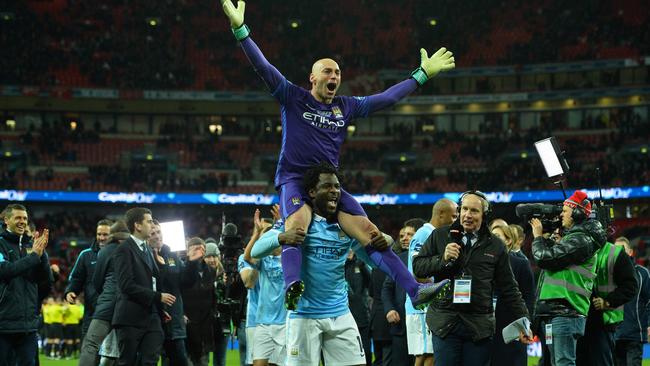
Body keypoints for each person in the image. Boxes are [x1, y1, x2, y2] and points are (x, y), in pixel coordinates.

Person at [220, 0, 456, 310]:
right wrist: (241, 30)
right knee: (296, 229)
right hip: (294, 179)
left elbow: (386, 98)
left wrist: (421, 75)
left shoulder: (345, 106)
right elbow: (263, 67)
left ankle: (415, 290)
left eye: (338, 72)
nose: (335, 76)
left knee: (372, 233)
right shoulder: (293, 96)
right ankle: (293, 286)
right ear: (313, 78)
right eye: (328, 71)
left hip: (329, 183)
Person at [250, 162, 449, 366]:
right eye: (327, 187)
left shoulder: (347, 226)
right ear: (311, 192)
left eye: (337, 187)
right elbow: (257, 250)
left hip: (340, 313)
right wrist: (282, 237)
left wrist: (387, 240)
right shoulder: (297, 220)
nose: (334, 191)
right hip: (304, 316)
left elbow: (375, 260)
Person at [412, 191, 532, 366]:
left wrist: (523, 319)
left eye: (474, 211)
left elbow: (509, 287)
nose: (467, 215)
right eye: (464, 209)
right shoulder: (440, 235)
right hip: (445, 323)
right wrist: (441, 259)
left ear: (484, 215)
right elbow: (418, 268)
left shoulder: (496, 245)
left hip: (479, 326)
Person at [531, 190, 607, 366]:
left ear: (577, 212)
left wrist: (537, 237)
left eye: (565, 211)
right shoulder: (572, 238)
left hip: (566, 311)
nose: (561, 214)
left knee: (564, 362)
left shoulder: (582, 240)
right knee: (557, 362)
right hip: (556, 311)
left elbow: (544, 257)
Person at [112, 207, 175, 366]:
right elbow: (126, 285)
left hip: (152, 316)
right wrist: (158, 297)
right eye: (148, 221)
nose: (152, 225)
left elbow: (153, 281)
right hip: (130, 318)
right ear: (138, 226)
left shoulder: (147, 249)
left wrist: (160, 309)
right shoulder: (123, 250)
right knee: (128, 362)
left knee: (150, 361)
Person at [406, 199, 458, 366]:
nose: (456, 220)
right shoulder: (424, 234)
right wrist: (435, 287)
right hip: (423, 303)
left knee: (428, 354)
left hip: (428, 303)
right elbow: (417, 271)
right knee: (427, 354)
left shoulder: (435, 234)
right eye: (454, 215)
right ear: (441, 214)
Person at [576, 230, 637, 366]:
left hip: (602, 322)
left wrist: (608, 301)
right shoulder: (576, 249)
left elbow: (630, 286)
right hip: (578, 320)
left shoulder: (614, 253)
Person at [0, 203, 51, 366]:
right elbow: (6, 270)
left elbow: (45, 279)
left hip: (28, 325)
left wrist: (42, 256)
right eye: (18, 218)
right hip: (4, 324)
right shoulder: (1, 244)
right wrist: (34, 256)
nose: (22, 221)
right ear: (6, 220)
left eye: (25, 218)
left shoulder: (32, 245)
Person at [149, 220, 203, 366]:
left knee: (180, 361)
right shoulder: (142, 256)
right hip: (151, 320)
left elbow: (186, 282)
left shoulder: (171, 255)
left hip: (174, 322)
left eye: (159, 232)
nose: (157, 236)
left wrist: (191, 263)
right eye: (152, 233)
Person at [79, 220, 130, 366]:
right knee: (129, 349)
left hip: (107, 305)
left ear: (112, 235)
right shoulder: (136, 250)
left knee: (90, 346)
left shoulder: (106, 250)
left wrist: (107, 292)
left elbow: (97, 280)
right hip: (130, 306)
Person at [490, 224, 536, 366]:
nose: (493, 241)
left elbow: (528, 296)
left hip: (511, 326)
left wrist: (524, 324)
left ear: (508, 240)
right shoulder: (482, 264)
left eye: (497, 237)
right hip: (487, 326)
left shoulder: (521, 264)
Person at [65, 219, 112, 337]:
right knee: (89, 352)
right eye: (99, 234)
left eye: (105, 234)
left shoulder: (120, 254)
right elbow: (76, 278)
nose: (101, 237)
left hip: (114, 314)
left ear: (112, 235)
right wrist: (70, 291)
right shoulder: (86, 255)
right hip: (92, 314)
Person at [614, 236, 650, 366]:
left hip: (635, 334)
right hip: (615, 334)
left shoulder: (642, 273)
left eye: (622, 249)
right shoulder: (609, 275)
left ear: (630, 252)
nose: (618, 253)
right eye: (615, 250)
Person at [345, 249, 372, 366]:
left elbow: (372, 283)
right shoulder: (338, 265)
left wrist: (364, 266)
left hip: (361, 314)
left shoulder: (361, 264)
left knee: (364, 349)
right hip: (343, 314)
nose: (349, 250)